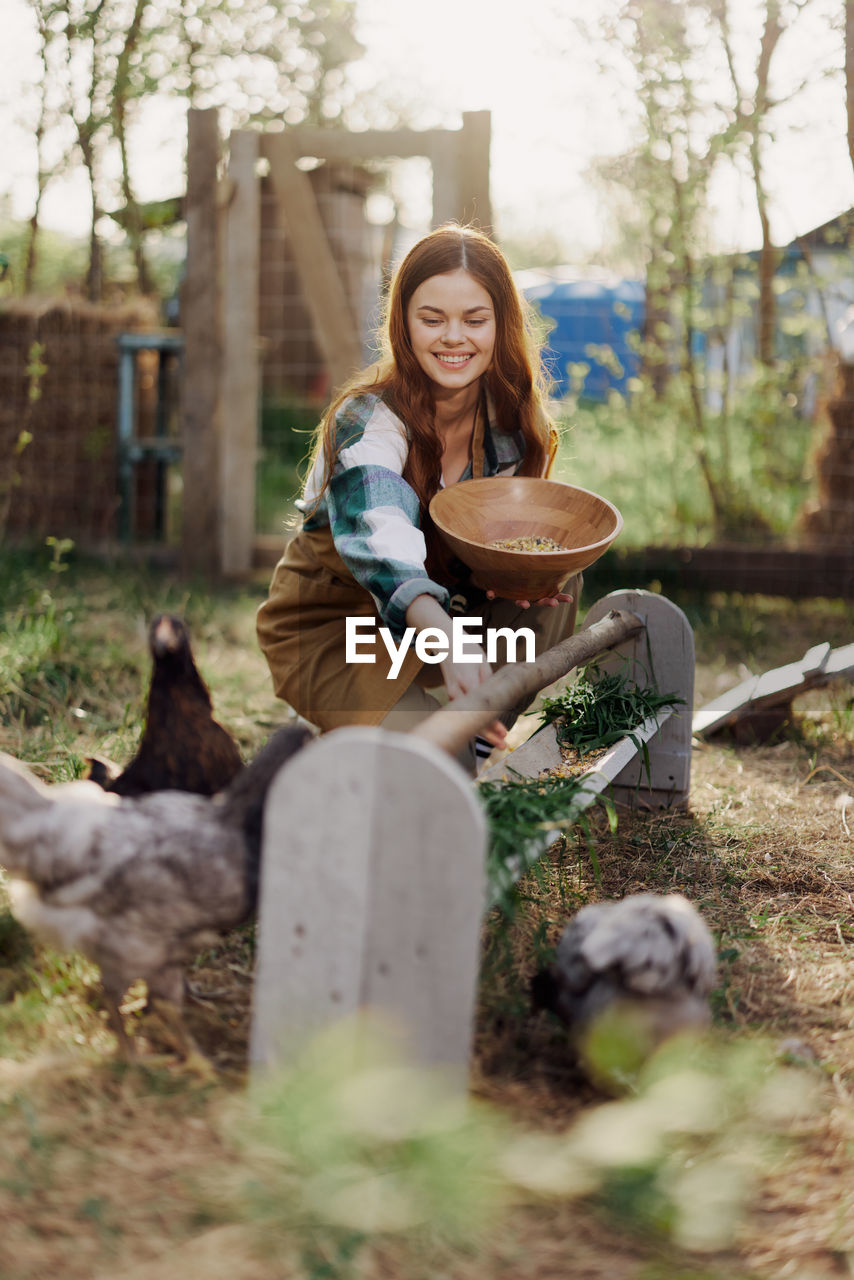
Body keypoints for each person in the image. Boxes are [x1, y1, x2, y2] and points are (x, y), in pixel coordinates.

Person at [257, 224, 580, 772]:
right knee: (432, 767)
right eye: (432, 320)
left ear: (502, 326)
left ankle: (479, 725)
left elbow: (507, 539)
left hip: (438, 625)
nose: (454, 337)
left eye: (474, 320)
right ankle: (366, 726)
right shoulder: (368, 423)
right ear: (403, 325)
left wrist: (518, 575)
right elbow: (384, 534)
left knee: (559, 573)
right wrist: (448, 639)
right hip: (340, 627)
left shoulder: (513, 429)